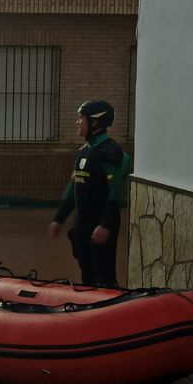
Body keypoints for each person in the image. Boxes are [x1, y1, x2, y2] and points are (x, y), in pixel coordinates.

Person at [47, 99, 129, 287]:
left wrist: (105, 225)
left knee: (104, 276)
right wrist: (59, 219)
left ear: (94, 123)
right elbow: (72, 189)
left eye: (81, 118)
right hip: (82, 224)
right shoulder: (84, 152)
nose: (78, 122)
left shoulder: (111, 152)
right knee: (87, 273)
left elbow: (115, 192)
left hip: (100, 223)